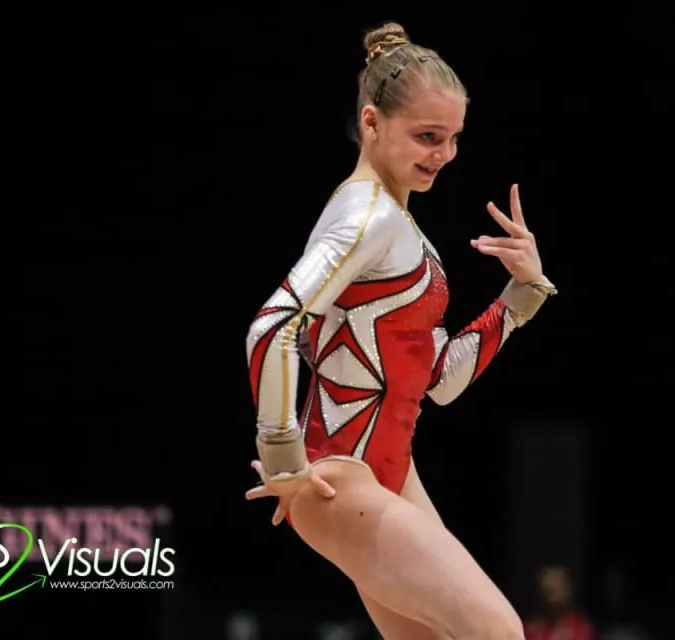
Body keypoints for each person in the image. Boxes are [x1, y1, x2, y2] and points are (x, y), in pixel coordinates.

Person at [244, 21, 557, 640]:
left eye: (453, 138)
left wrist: (519, 296)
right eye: (427, 136)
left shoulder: (396, 225)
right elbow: (272, 325)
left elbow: (437, 381)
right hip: (342, 479)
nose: (443, 154)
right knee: (499, 631)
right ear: (371, 123)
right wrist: (282, 459)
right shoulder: (367, 216)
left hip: (390, 472)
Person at [524, 566, 596, 640]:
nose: (553, 599)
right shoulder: (531, 630)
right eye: (549, 592)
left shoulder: (582, 627)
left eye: (558, 590)